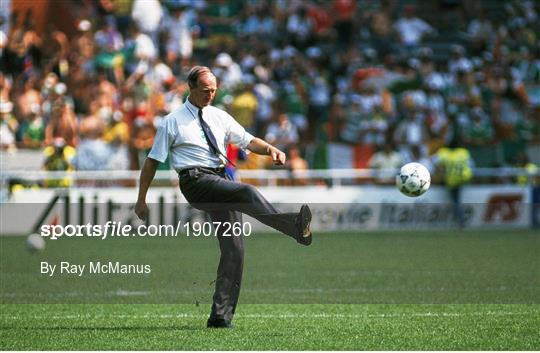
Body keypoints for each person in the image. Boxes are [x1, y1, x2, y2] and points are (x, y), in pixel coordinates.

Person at [134, 66, 313, 329]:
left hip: (220, 181)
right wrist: (141, 199)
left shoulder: (219, 116)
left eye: (214, 90)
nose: (211, 95)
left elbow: (249, 141)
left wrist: (272, 149)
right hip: (196, 182)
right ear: (190, 88)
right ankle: (295, 227)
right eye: (206, 90)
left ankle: (220, 316)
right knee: (247, 191)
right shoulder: (172, 121)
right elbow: (151, 163)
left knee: (234, 249)